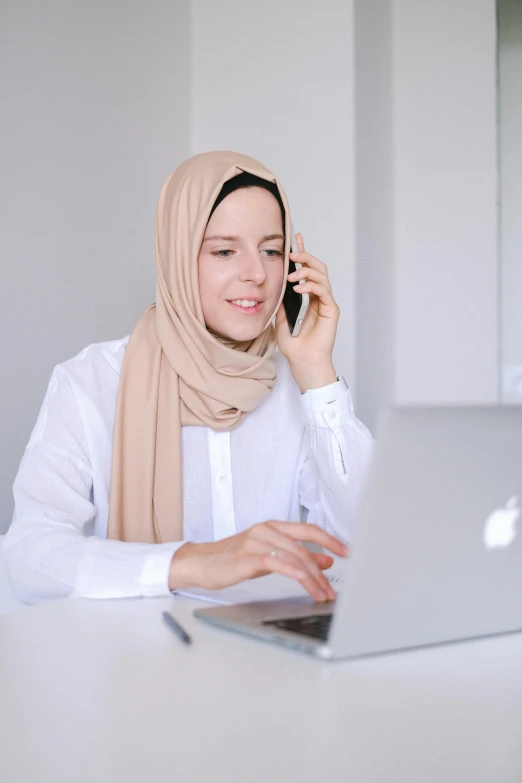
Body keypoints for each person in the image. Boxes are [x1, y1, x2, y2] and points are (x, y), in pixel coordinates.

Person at [4, 151, 373, 605]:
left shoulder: (292, 388)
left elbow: (366, 540)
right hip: (130, 662)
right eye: (224, 250)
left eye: (272, 251)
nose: (257, 274)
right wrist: (195, 563)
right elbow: (27, 557)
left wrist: (317, 372)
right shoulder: (91, 383)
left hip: (265, 664)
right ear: (177, 255)